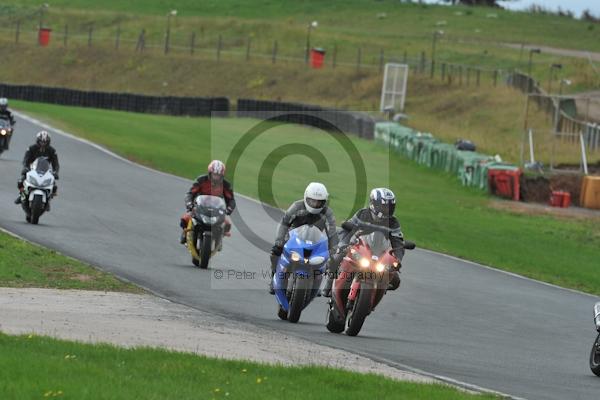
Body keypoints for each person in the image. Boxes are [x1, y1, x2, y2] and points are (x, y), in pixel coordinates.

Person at [321, 188, 404, 297]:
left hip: (380, 253)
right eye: (384, 206)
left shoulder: (393, 222)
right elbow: (348, 228)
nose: (387, 210)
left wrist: (397, 259)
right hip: (360, 247)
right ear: (374, 204)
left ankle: (378, 292)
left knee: (395, 280)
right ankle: (328, 286)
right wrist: (342, 246)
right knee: (336, 258)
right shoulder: (362, 214)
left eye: (390, 207)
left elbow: (398, 242)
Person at [268, 182, 338, 294]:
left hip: (315, 241)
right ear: (306, 197)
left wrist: (333, 249)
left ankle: (317, 284)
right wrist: (279, 240)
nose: (315, 204)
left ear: (324, 202)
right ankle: (274, 277)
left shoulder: (328, 212)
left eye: (319, 202)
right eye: (312, 201)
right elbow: (284, 223)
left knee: (331, 260)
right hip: (293, 239)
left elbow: (332, 233)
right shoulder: (296, 206)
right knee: (275, 252)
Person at [179, 160, 235, 244]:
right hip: (200, 207)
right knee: (185, 219)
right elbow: (190, 193)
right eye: (214, 174)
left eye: (218, 175)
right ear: (210, 173)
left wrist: (229, 209)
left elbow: (231, 199)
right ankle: (185, 233)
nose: (216, 177)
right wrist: (189, 204)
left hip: (217, 210)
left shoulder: (225, 185)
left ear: (222, 175)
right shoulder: (201, 180)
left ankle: (219, 238)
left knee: (227, 224)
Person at [15, 131, 59, 205]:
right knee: (21, 181)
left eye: (45, 142)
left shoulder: (52, 151)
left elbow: (56, 164)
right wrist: (25, 167)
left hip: (45, 171)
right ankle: (21, 196)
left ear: (48, 142)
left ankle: (48, 200)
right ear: (38, 140)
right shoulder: (31, 148)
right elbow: (26, 159)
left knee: (54, 185)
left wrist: (55, 172)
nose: (43, 143)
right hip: (32, 169)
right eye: (41, 141)